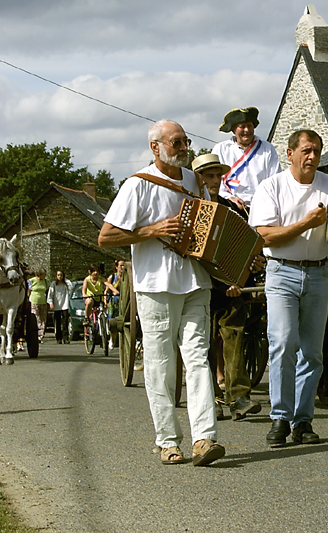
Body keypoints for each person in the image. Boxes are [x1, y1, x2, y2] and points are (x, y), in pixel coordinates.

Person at [98, 119, 225, 466]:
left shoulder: (197, 182)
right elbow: (106, 236)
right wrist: (150, 230)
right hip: (155, 285)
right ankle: (168, 440)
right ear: (155, 147)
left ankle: (204, 438)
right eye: (177, 143)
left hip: (196, 281)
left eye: (186, 142)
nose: (185, 148)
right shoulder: (138, 185)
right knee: (160, 363)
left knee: (198, 358)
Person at [249, 129, 328, 447]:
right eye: (307, 151)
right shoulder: (271, 187)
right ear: (290, 154)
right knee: (283, 342)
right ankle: (280, 417)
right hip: (282, 272)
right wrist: (306, 223)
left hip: (318, 272)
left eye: (317, 151)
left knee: (313, 351)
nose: (312, 157)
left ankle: (303, 420)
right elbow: (265, 237)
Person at [192, 153, 262, 422]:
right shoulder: (188, 208)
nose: (213, 181)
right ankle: (209, 398)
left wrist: (248, 271)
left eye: (216, 176)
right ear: (197, 178)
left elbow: (247, 247)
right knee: (203, 345)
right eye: (208, 176)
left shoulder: (229, 209)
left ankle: (239, 397)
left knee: (235, 336)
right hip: (197, 288)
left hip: (227, 289)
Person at [212, 106, 281, 211]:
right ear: (233, 129)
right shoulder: (221, 149)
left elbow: (275, 179)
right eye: (242, 126)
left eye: (250, 126)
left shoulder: (267, 148)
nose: (247, 130)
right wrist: (229, 198)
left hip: (262, 205)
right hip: (232, 205)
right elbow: (215, 180)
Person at [47, 270, 73, 344]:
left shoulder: (66, 284)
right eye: (58, 275)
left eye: (61, 275)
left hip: (64, 305)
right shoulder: (54, 284)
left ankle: (65, 338)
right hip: (57, 305)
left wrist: (65, 280)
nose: (59, 277)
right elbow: (50, 294)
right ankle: (58, 338)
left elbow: (71, 286)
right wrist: (51, 303)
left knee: (65, 322)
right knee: (58, 322)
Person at [28, 269, 48, 342]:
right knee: (37, 318)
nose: (45, 276)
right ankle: (36, 334)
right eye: (44, 274)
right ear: (39, 274)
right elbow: (29, 291)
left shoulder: (45, 281)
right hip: (34, 301)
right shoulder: (31, 281)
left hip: (43, 301)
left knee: (43, 319)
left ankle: (41, 335)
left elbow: (47, 290)